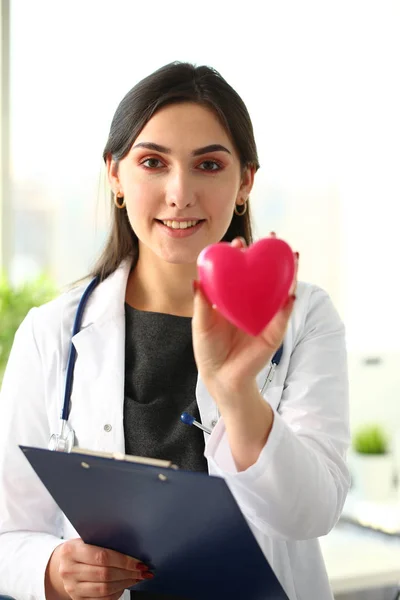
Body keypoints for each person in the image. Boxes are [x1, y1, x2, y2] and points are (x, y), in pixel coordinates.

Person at [0, 62, 350, 600]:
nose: (180, 192)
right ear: (115, 177)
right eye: (152, 162)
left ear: (245, 183)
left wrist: (236, 393)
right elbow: (7, 534)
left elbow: (312, 512)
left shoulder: (305, 318)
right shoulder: (48, 334)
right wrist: (50, 569)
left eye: (208, 164)